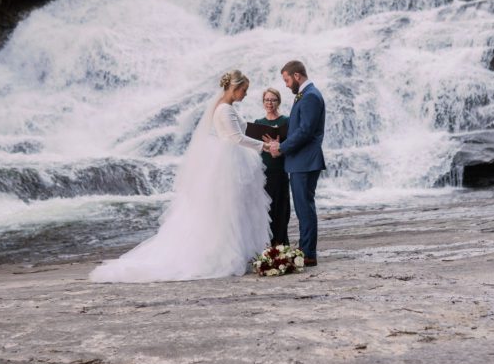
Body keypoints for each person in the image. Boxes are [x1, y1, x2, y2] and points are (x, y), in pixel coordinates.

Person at [90, 70, 271, 282]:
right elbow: (235, 137)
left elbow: (244, 128)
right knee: (227, 210)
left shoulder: (226, 107)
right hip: (229, 162)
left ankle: (238, 252)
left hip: (230, 160)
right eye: (244, 90)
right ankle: (226, 254)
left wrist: (268, 132)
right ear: (234, 88)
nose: (246, 94)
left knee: (233, 209)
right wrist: (265, 146)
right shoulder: (224, 110)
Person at [267, 60, 325, 267]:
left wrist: (281, 148)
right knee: (303, 208)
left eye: (287, 79)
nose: (286, 84)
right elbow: (297, 129)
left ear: (297, 76)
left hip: (305, 162)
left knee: (305, 208)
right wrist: (278, 142)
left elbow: (305, 131)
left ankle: (308, 253)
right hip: (301, 162)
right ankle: (305, 249)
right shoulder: (305, 95)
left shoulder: (310, 96)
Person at [255, 88, 290, 247]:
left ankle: (281, 244)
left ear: (279, 102)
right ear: (263, 102)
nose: (270, 103)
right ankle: (266, 247)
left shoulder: (286, 121)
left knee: (281, 209)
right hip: (263, 173)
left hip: (281, 171)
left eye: (273, 100)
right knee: (265, 210)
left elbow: (292, 146)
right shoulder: (258, 124)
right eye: (267, 100)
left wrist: (279, 150)